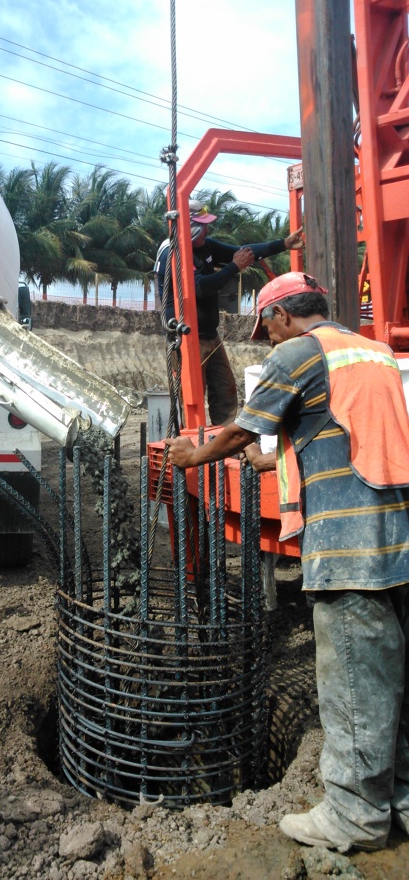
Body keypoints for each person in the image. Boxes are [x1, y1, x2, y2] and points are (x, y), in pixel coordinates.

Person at [164, 271, 409, 853]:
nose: (268, 340)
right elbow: (350, 433)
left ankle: (354, 815)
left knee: (352, 680)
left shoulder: (298, 352)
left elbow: (240, 429)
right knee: (395, 680)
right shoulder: (372, 353)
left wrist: (192, 454)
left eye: (266, 328)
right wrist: (276, 464)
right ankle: (399, 797)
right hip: (400, 541)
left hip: (351, 549)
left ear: (282, 316)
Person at [154, 200, 304, 426]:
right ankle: (193, 449)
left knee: (225, 390)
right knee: (191, 399)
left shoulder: (203, 246)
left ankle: (222, 445)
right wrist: (233, 267)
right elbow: (200, 287)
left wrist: (282, 244)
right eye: (203, 226)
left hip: (209, 335)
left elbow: (243, 252)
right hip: (185, 338)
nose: (207, 230)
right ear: (188, 227)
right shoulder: (172, 253)